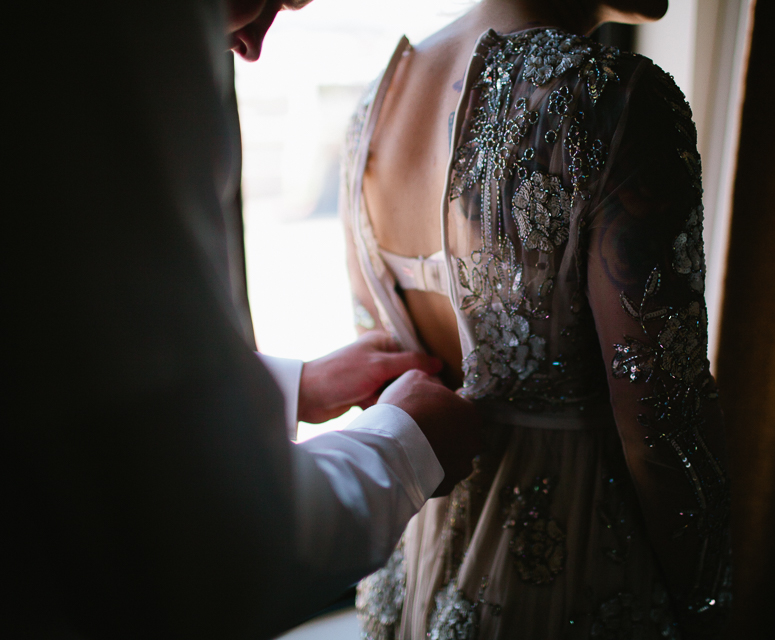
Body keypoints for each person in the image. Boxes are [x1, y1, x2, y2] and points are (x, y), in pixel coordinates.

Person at [9, 1, 480, 637]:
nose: (253, 46)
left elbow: (67, 354)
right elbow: (205, 541)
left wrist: (292, 387)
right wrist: (405, 449)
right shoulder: (103, 33)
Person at [340, 0, 732, 637]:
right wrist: (710, 603)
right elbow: (664, 420)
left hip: (417, 570)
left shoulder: (378, 101)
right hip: (578, 578)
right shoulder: (616, 103)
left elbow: (389, 366)